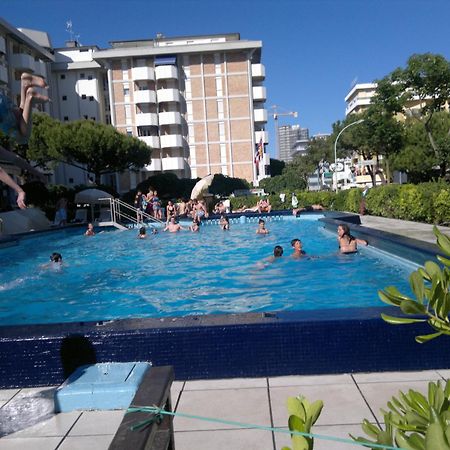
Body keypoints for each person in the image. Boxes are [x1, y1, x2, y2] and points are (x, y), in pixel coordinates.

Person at [0, 73, 49, 209]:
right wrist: (37, 173)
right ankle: (25, 84)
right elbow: (15, 159)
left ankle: (30, 97)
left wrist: (19, 190)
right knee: (19, 121)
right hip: (2, 101)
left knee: (22, 138)